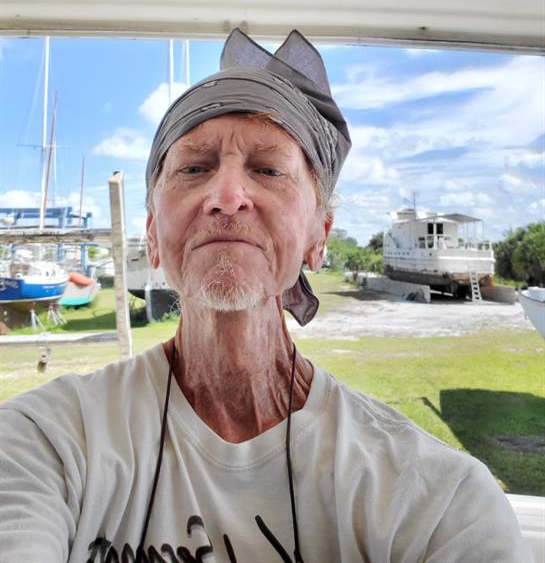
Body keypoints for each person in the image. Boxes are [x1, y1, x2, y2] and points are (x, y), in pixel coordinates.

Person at [0, 30, 531, 563]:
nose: (227, 197)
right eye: (194, 167)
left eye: (269, 169)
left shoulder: (440, 503)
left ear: (319, 235)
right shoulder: (45, 441)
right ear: (154, 235)